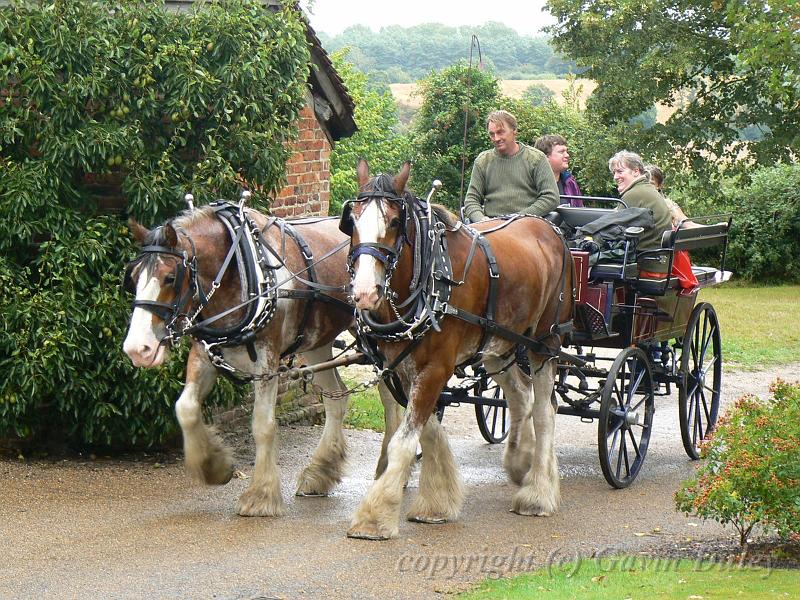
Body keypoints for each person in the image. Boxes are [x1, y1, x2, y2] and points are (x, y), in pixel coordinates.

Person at [463, 110, 559, 223]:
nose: (496, 138)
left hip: (528, 225)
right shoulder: (483, 161)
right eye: (492, 134)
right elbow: (471, 200)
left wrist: (518, 218)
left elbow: (551, 197)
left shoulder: (536, 158)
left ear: (514, 131)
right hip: (490, 226)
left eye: (500, 132)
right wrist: (481, 220)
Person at [608, 150, 672, 250]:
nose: (615, 177)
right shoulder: (647, 189)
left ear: (636, 171)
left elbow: (611, 229)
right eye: (614, 172)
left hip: (642, 256)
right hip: (655, 254)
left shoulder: (634, 194)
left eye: (620, 171)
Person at [534, 134, 583, 206]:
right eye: (561, 152)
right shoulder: (530, 184)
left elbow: (579, 212)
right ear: (545, 157)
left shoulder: (570, 183)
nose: (567, 155)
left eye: (566, 151)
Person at [644, 164, 696, 228]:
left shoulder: (668, 205)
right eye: (644, 184)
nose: (647, 187)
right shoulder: (633, 203)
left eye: (651, 184)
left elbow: (688, 224)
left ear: (659, 186)